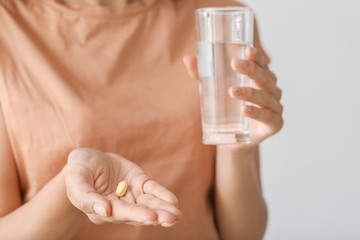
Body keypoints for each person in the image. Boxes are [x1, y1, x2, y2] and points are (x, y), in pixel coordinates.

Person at [0, 0, 283, 239]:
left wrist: (237, 150)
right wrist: (71, 194)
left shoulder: (219, 15)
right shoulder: (8, 26)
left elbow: (243, 234)